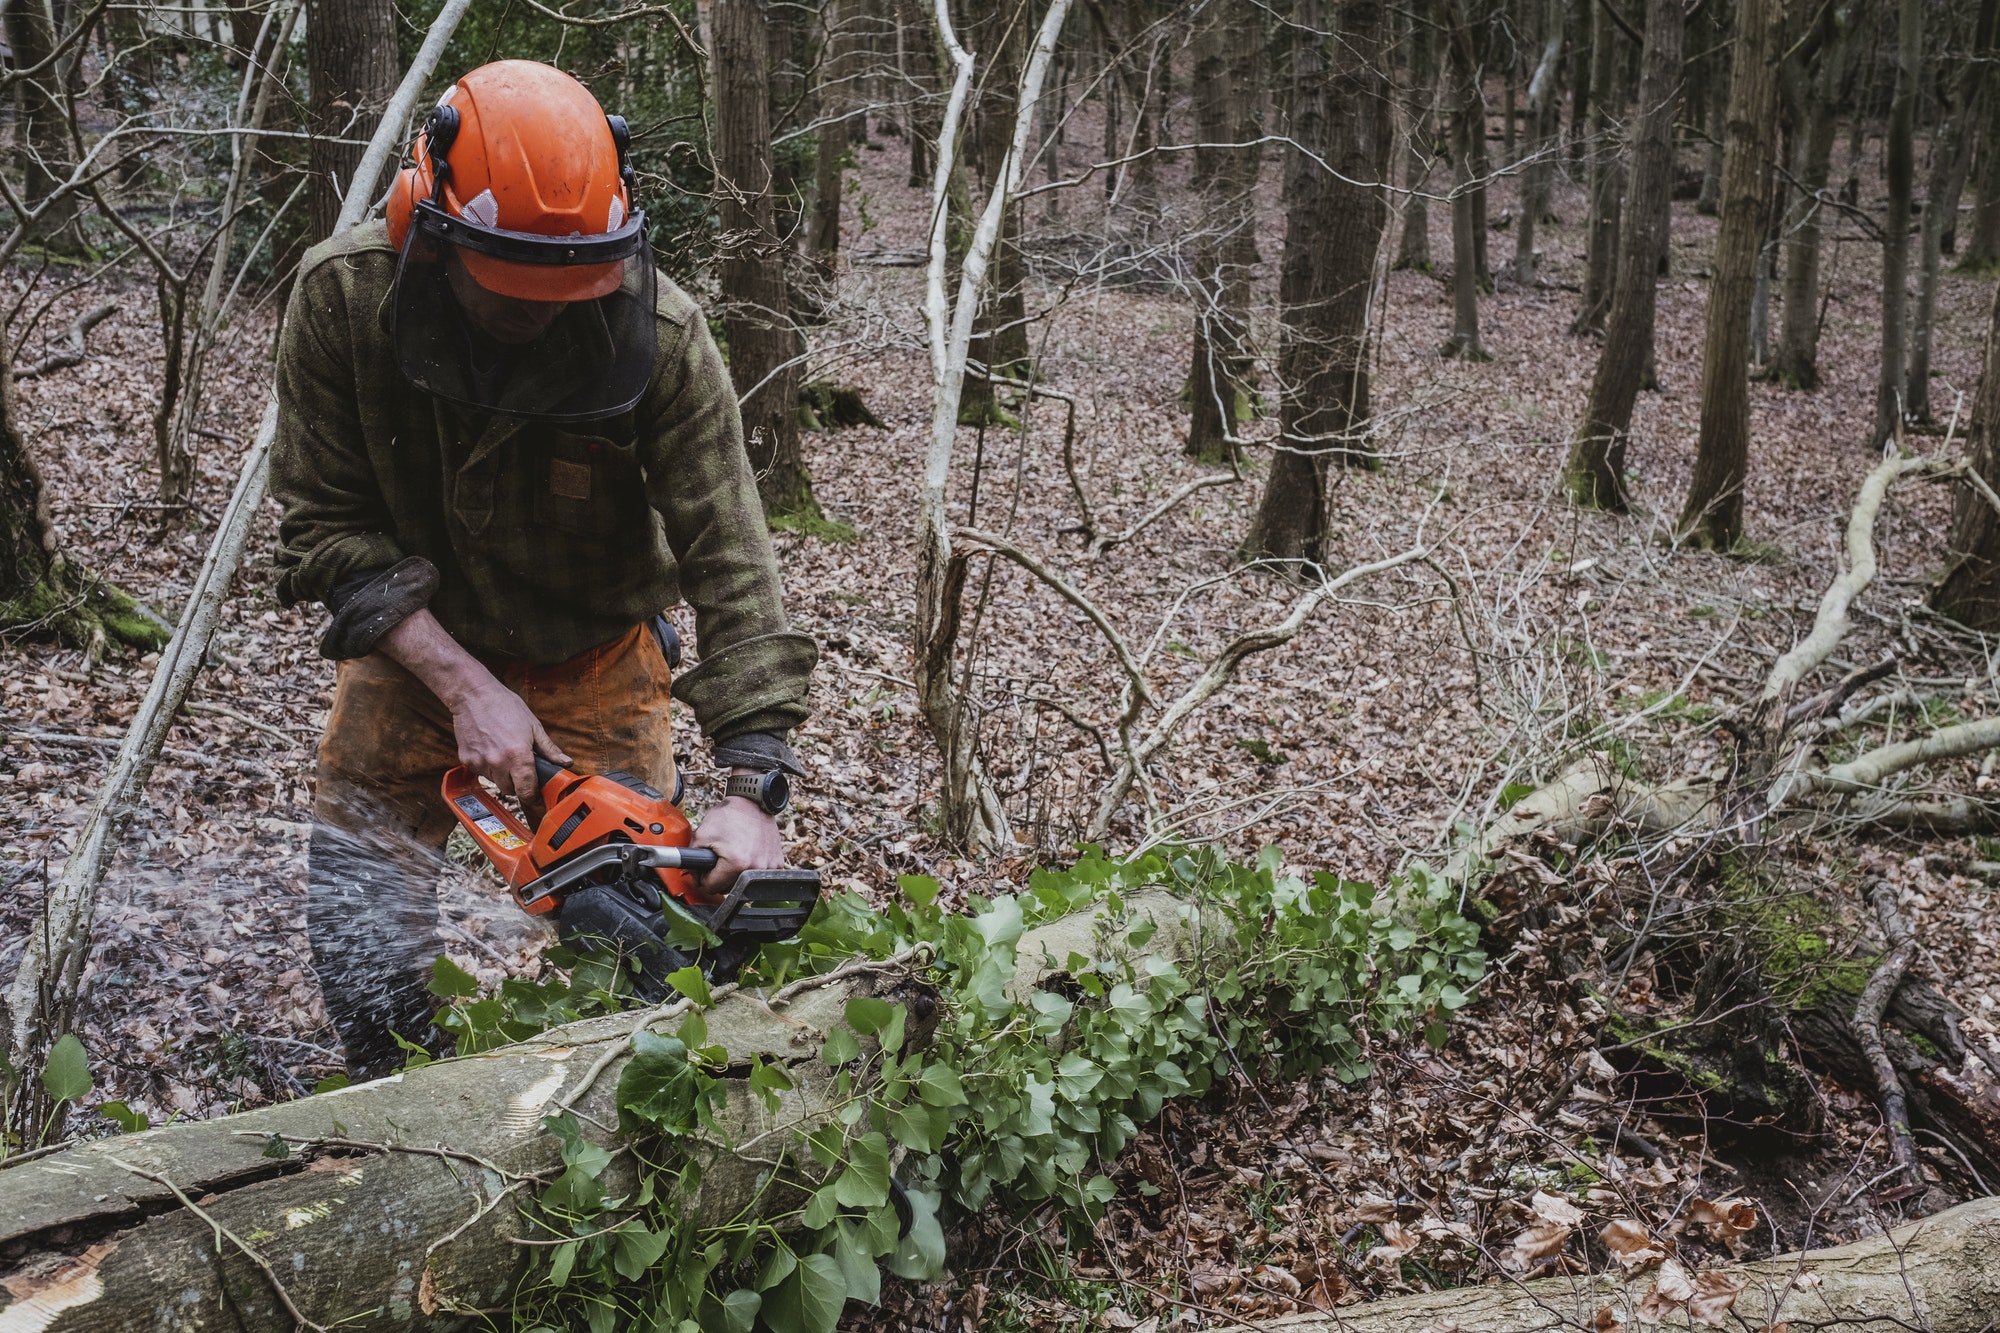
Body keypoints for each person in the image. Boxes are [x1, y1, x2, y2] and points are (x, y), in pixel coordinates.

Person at [270, 61, 815, 1080]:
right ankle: (398, 1099)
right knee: (360, 897)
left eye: (570, 289)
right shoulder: (342, 303)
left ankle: (609, 1122)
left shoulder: (662, 337)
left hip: (598, 652)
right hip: (412, 641)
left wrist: (754, 782)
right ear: (431, 233)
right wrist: (463, 684)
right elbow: (325, 530)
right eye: (512, 286)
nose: (542, 312)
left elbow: (731, 558)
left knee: (641, 947)